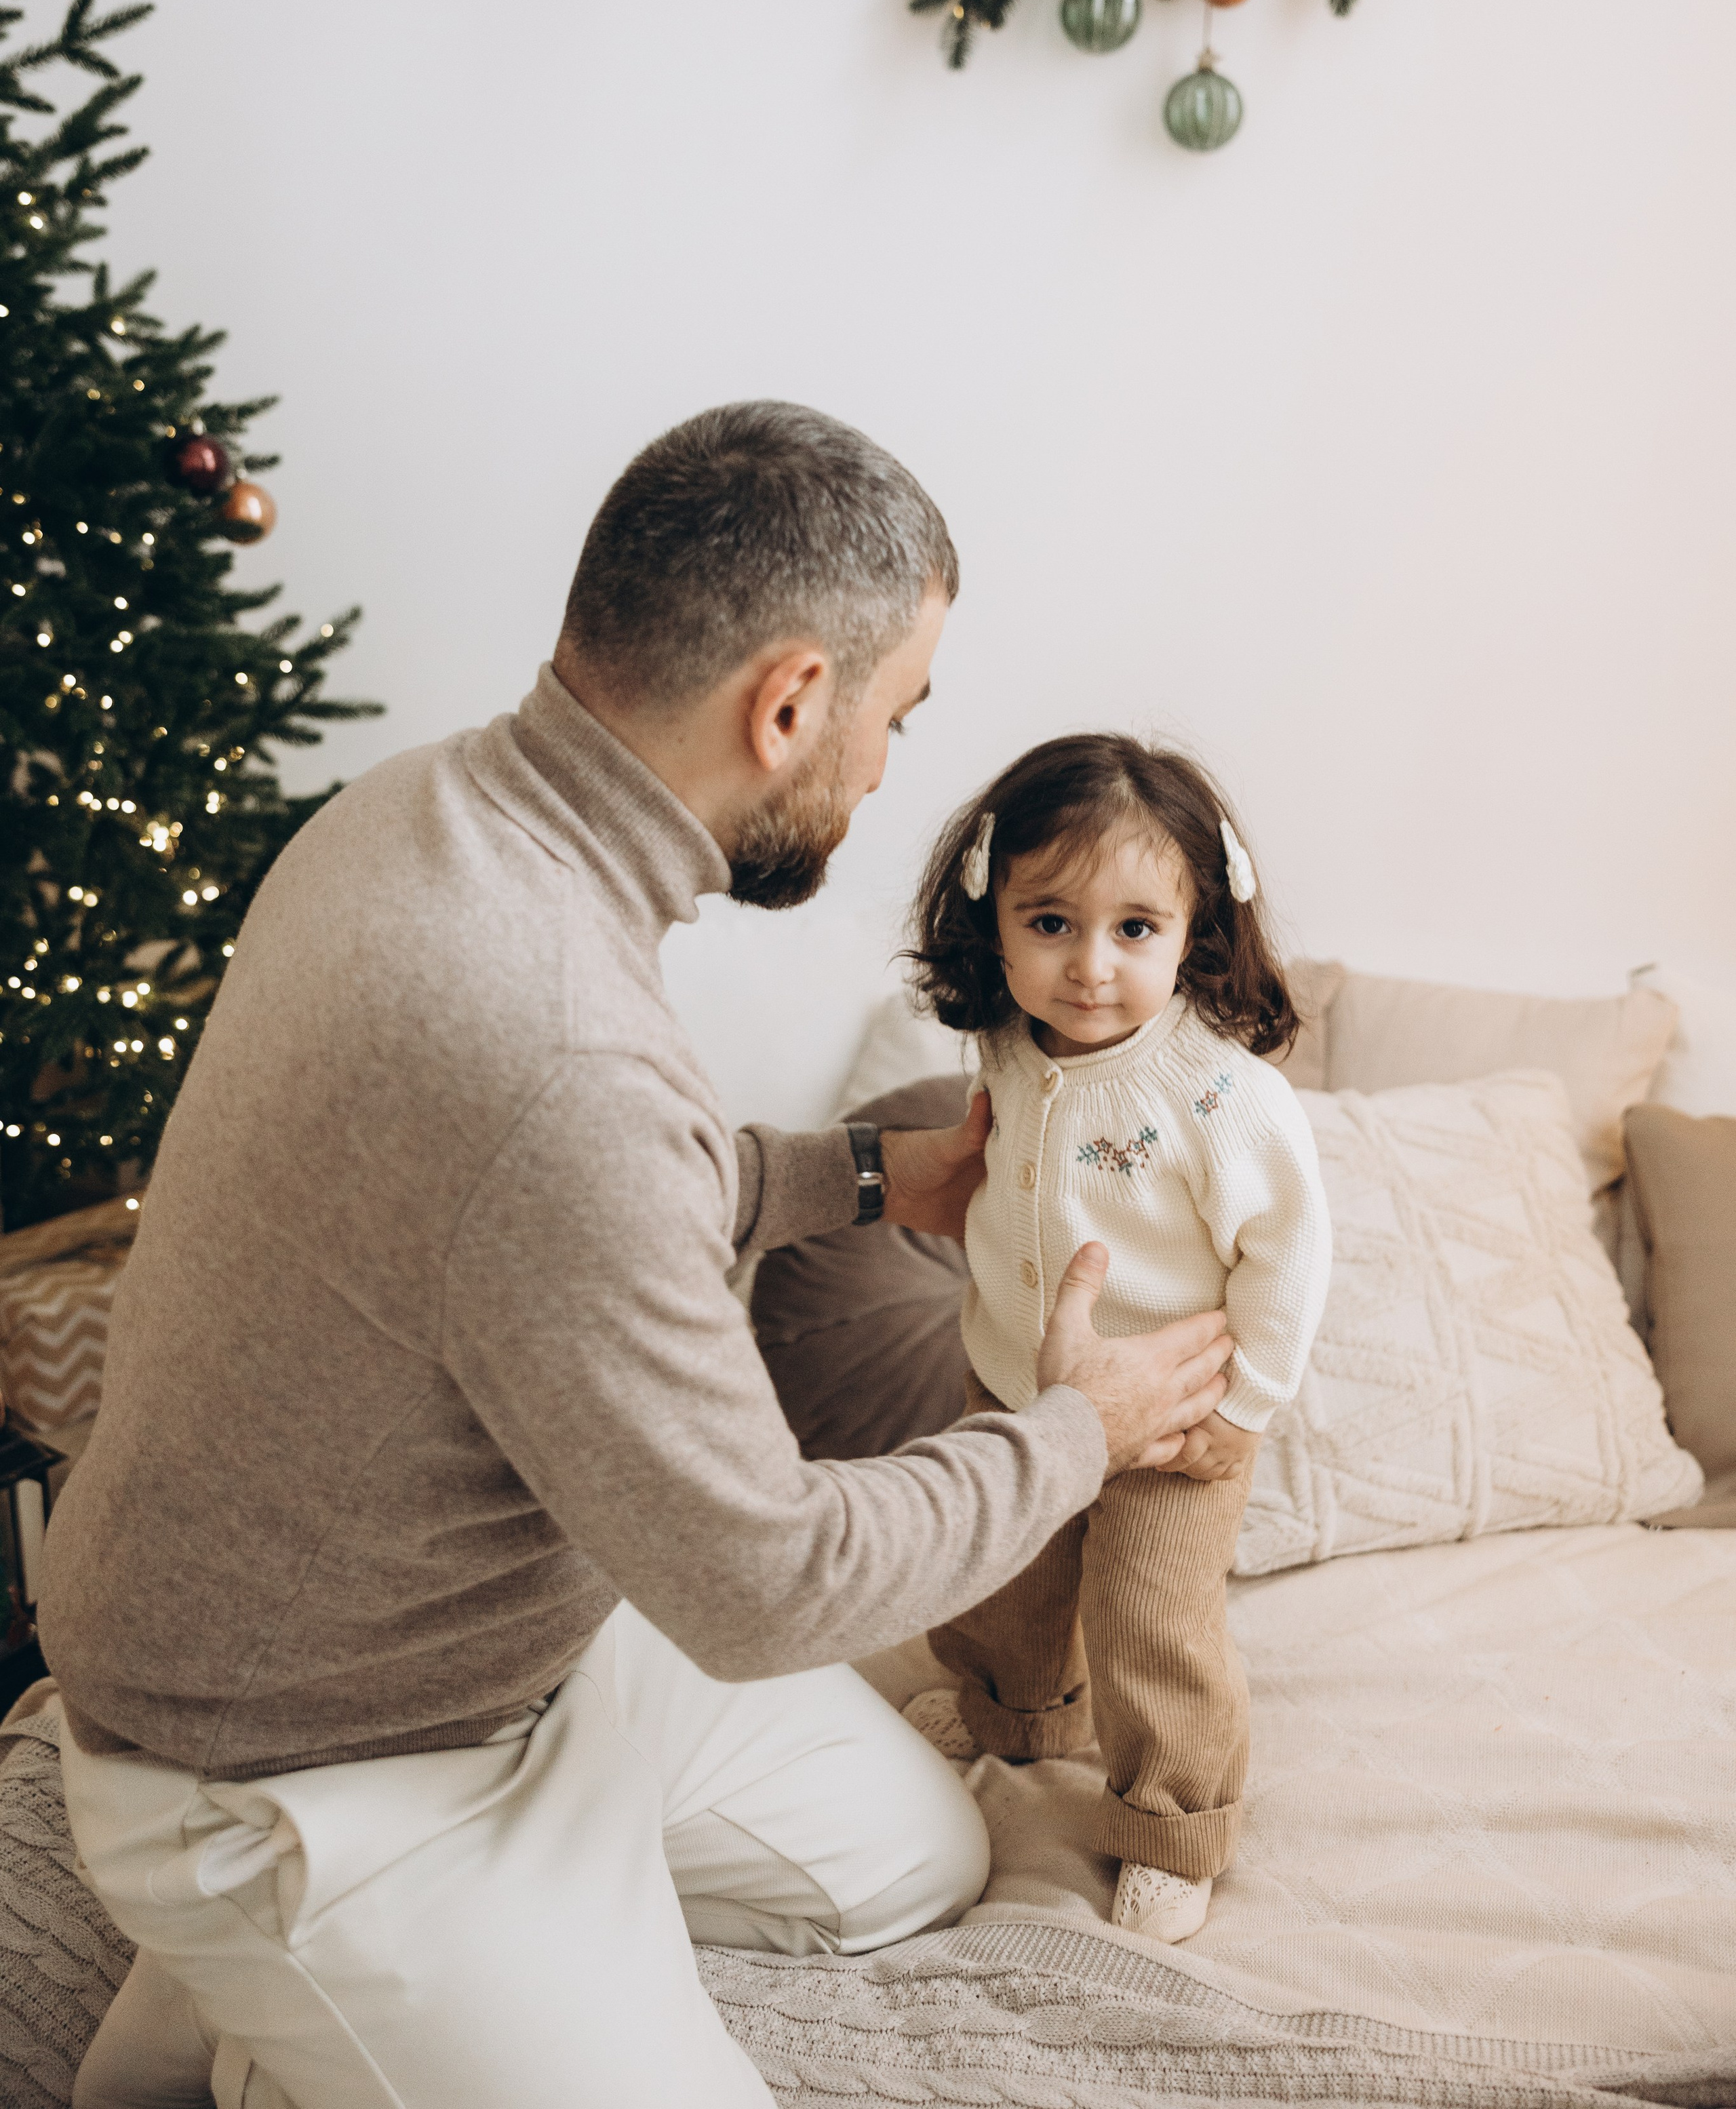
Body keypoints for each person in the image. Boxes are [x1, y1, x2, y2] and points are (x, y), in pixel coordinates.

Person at [38, 403, 1236, 2109]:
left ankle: (455, 1966)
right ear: (790, 704)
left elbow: (540, 1212)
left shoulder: (421, 811)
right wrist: (1074, 1435)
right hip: (312, 1770)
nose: (891, 766)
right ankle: (284, 1971)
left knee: (917, 1862)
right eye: (896, 718)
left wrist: (869, 1177)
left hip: (521, 1652)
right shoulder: (553, 1045)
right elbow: (767, 1585)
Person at [903, 734, 1333, 1946]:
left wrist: (1239, 1409)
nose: (1090, 968)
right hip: (1013, 1385)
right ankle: (1014, 1709)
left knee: (1152, 1623)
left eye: (1135, 930)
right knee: (1007, 1573)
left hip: (1173, 1422)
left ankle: (1172, 1816)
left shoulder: (1220, 1095)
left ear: (1196, 928)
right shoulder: (1002, 1039)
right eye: (1051, 922)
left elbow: (1290, 1256)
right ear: (990, 913)